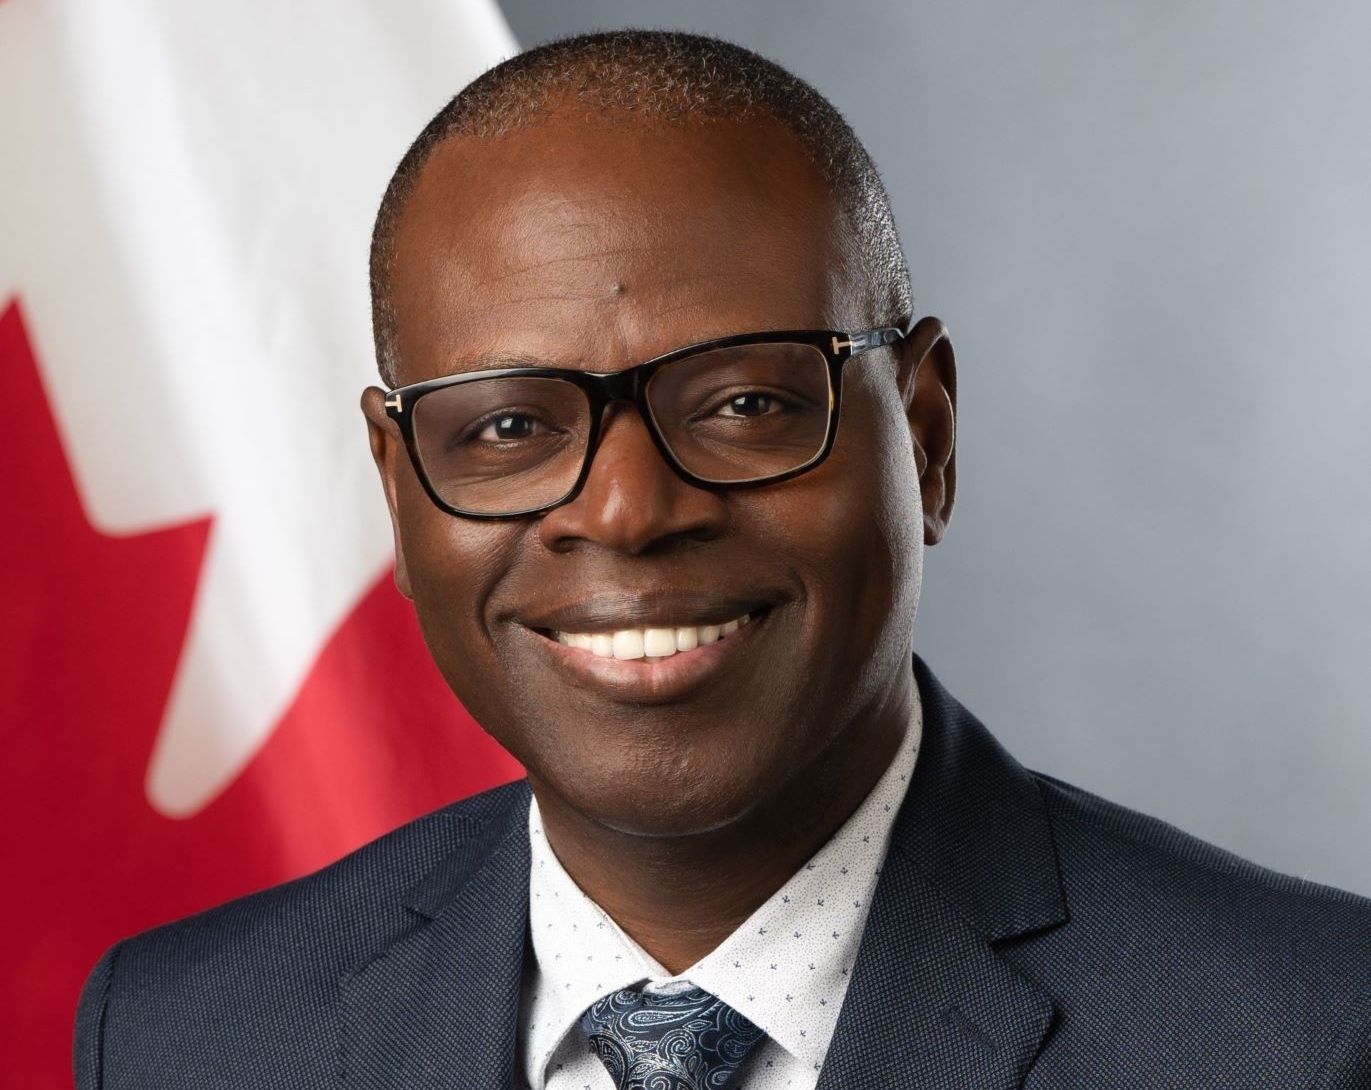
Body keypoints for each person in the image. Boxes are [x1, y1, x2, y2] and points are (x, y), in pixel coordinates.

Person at [74, 30, 1371, 1090]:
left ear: (925, 438)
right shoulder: (179, 1038)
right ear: (398, 483)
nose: (630, 511)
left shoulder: (1302, 1033)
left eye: (745, 403)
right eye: (511, 425)